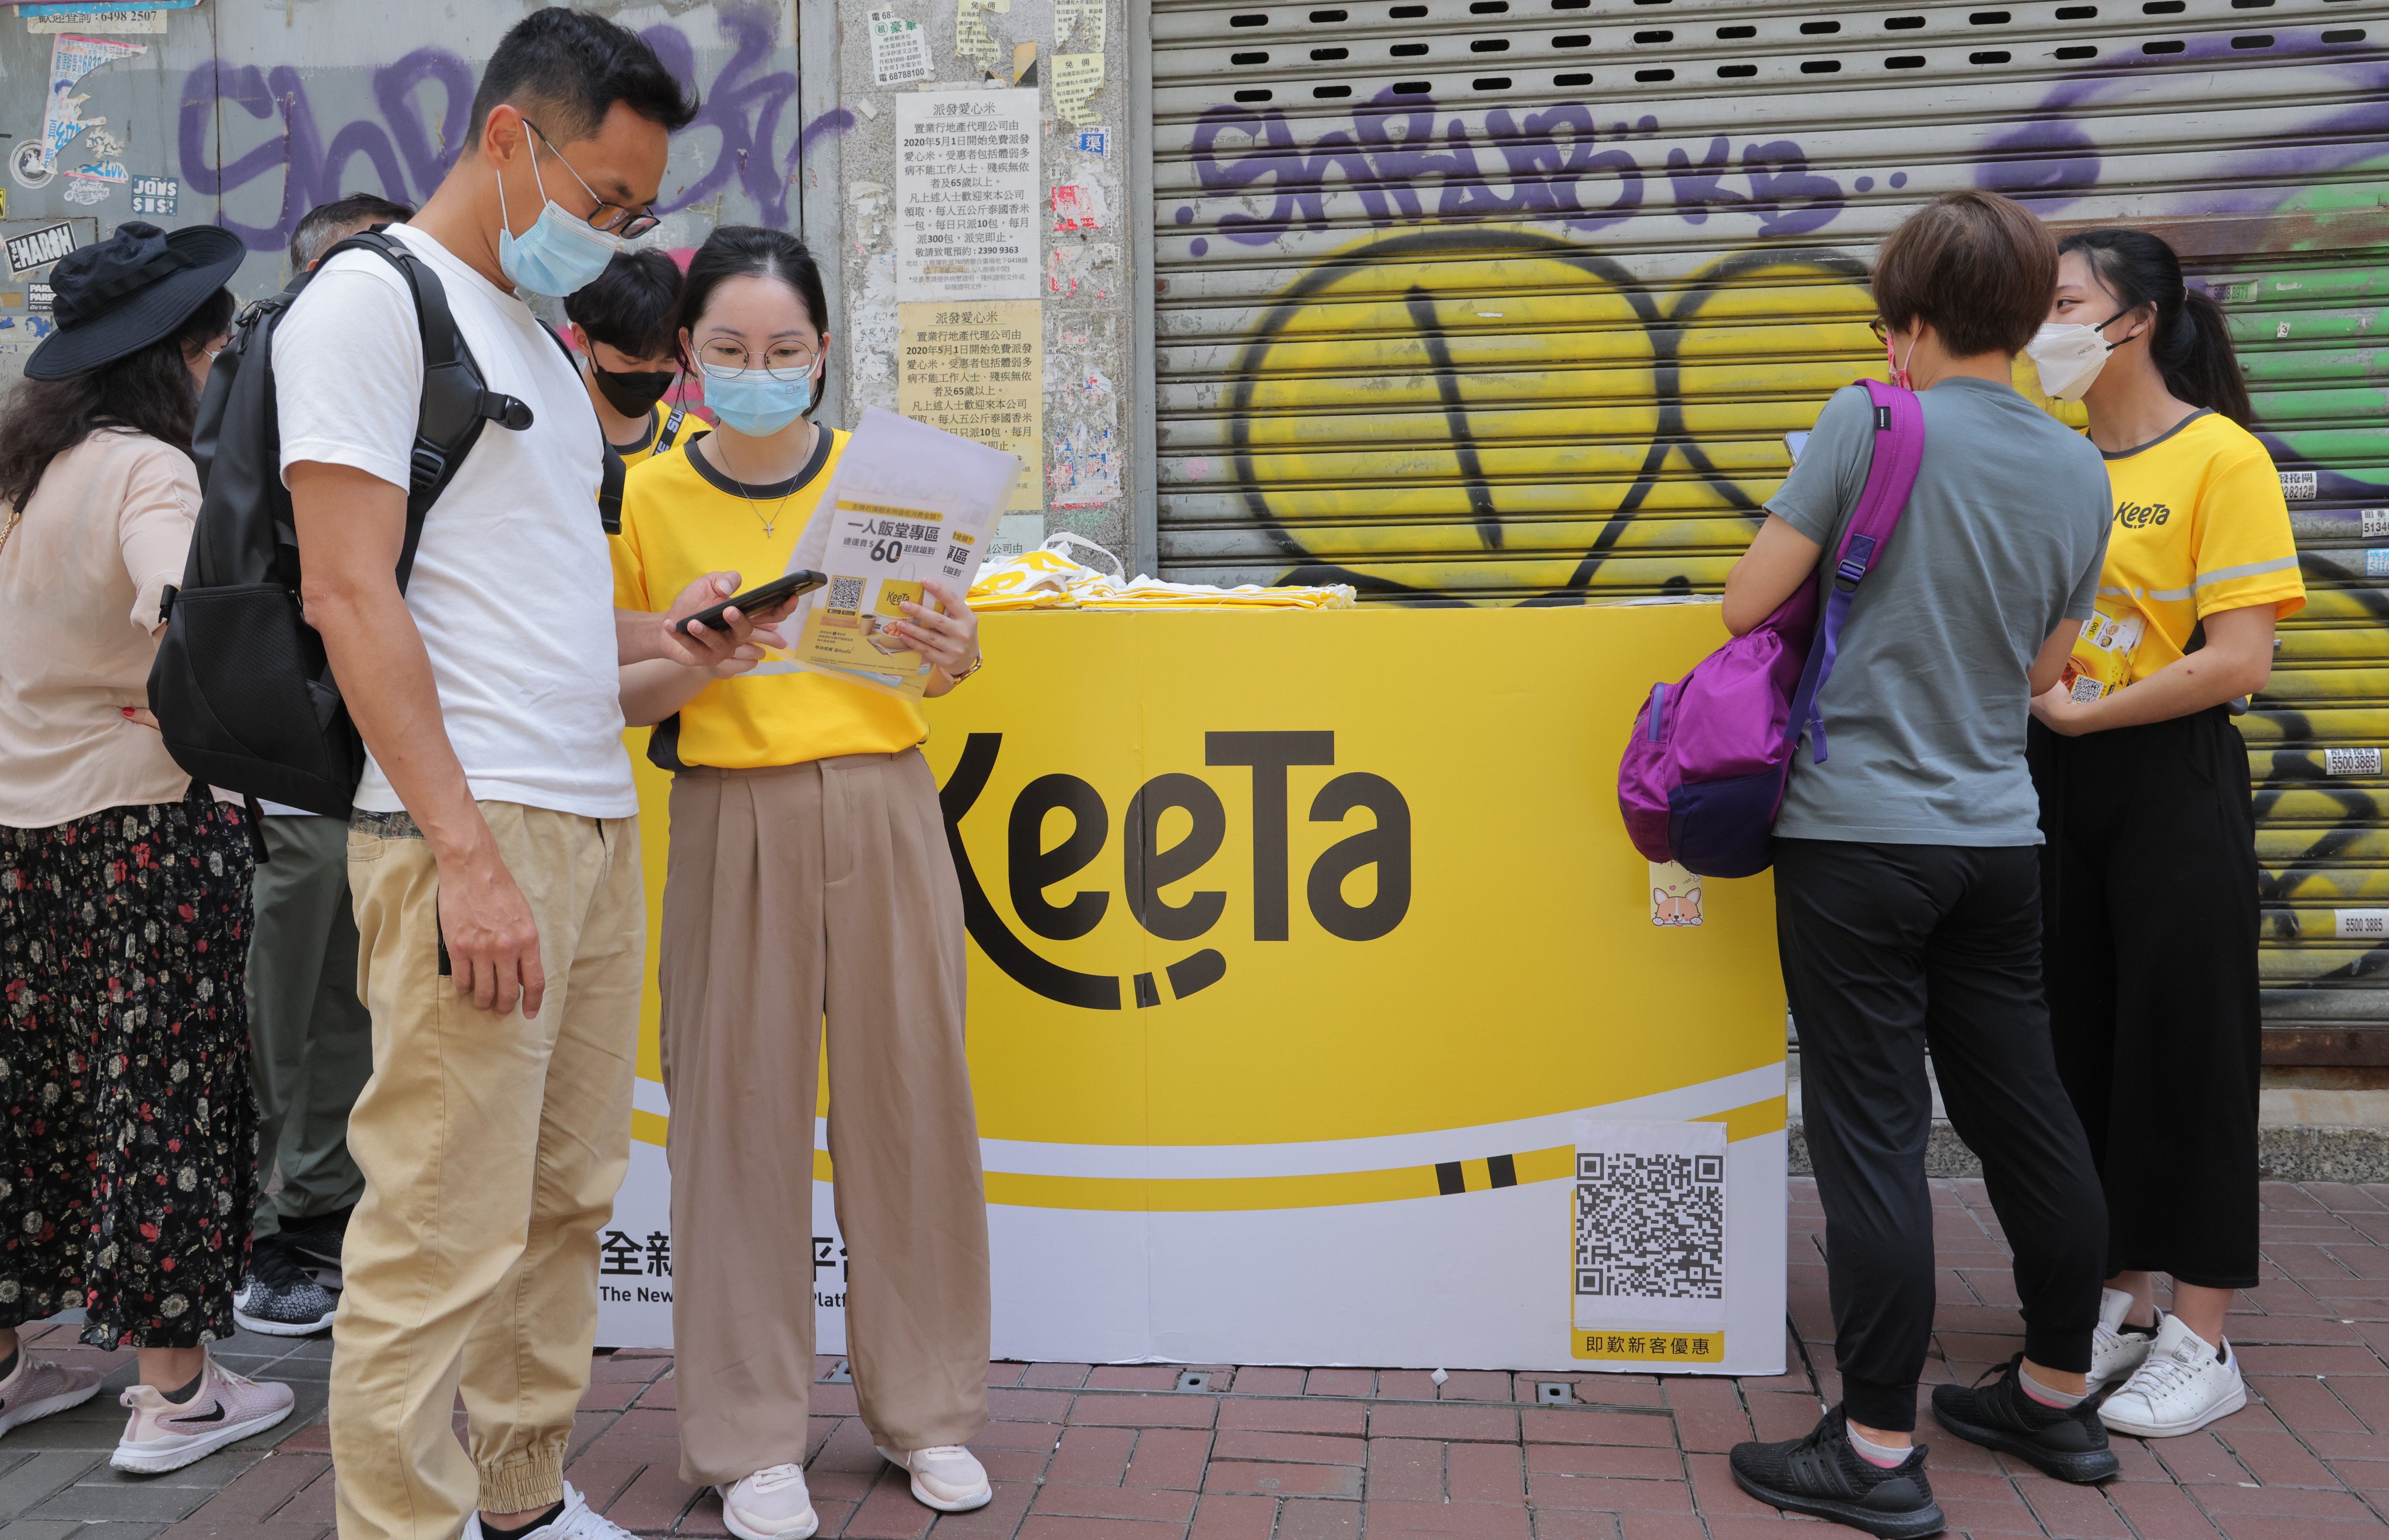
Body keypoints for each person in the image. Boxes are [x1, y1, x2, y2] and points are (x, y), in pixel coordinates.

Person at [270, 13, 756, 1540]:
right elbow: (349, 596)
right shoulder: (368, 307)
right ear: (509, 143)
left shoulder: (535, 334)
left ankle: (522, 1501)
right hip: (465, 834)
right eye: (606, 204)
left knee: (562, 1205)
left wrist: (672, 631)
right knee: (435, 1230)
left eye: (637, 214)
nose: (615, 236)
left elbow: (530, 602)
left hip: (593, 822)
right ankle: (402, 1526)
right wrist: (464, 851)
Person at [1718, 191, 2121, 1538]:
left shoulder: (1872, 422)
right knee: (2027, 1111)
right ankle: (2060, 1393)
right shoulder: (2080, 467)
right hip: (1999, 838)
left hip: (1856, 839)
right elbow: (2045, 670)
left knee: (1875, 1134)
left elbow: (1746, 599)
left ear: (1912, 318)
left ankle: (1879, 1450)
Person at [611, 226, 994, 1540]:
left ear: (824, 352)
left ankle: (927, 1412)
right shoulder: (648, 499)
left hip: (887, 805)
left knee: (911, 1107)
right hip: (731, 810)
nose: (758, 371)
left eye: (784, 350)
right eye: (728, 350)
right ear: (684, 358)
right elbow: (620, 688)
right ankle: (747, 1437)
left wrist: (957, 648)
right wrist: (698, 661)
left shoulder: (890, 481)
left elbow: (934, 661)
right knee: (738, 1121)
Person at [0, 219, 297, 1472]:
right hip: (147, 828)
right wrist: (192, 689)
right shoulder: (148, 472)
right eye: (218, 343)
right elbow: (189, 603)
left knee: (29, 1097)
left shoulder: (25, 466)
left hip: (18, 827)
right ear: (184, 355)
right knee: (162, 1093)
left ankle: (14, 1366)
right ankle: (176, 1395)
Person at [2023, 230, 2303, 1438]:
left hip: (2165, 776)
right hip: (2057, 772)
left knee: (2187, 1054)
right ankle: (2111, 1302)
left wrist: (2086, 713)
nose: (2042, 326)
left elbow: (2238, 660)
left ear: (2130, 320)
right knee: (2078, 1043)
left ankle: (2203, 1337)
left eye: (2061, 302)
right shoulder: (2054, 456)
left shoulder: (2218, 456)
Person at [232, 189, 422, 1341]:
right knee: (286, 995)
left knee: (359, 983)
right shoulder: (260, 389)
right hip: (289, 747)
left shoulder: (413, 389)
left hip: (389, 741)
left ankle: (332, 1207)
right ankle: (276, 1230)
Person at [564, 247, 691, 467]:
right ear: (583, 340)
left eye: (668, 360)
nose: (652, 372)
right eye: (632, 360)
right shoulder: (542, 439)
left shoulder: (694, 443)